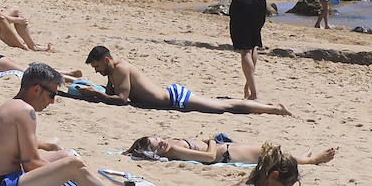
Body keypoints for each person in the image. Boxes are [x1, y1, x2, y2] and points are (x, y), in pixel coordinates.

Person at [0, 63, 122, 186]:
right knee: (75, 165)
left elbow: (18, 150)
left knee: (69, 156)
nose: (53, 101)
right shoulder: (25, 111)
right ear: (36, 90)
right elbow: (31, 165)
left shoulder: (10, 106)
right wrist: (67, 173)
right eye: (52, 95)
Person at [80, 47, 290, 115]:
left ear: (106, 60)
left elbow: (122, 99)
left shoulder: (121, 69)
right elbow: (111, 95)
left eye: (97, 66)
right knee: (222, 106)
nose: (97, 70)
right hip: (171, 98)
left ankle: (273, 109)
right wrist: (96, 93)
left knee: (223, 107)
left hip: (175, 98)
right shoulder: (111, 72)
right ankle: (266, 106)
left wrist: (98, 94)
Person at [128, 135, 332, 167]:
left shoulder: (171, 145)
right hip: (226, 154)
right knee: (270, 154)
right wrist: (211, 141)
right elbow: (208, 158)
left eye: (158, 139)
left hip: (227, 150)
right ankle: (311, 160)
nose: (162, 142)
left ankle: (303, 158)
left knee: (268, 152)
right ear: (155, 154)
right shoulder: (173, 151)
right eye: (157, 146)